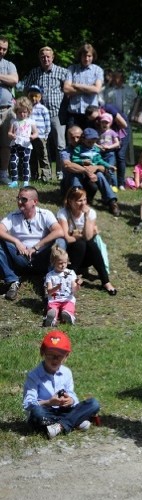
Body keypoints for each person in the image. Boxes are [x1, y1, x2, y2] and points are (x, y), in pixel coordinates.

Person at [23, 331, 100, 439]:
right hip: (46, 411)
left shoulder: (67, 372)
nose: (55, 360)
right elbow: (28, 404)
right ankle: (74, 422)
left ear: (66, 357)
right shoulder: (34, 375)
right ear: (42, 353)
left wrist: (71, 400)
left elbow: (72, 395)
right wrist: (49, 402)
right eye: (50, 355)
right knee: (37, 413)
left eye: (59, 356)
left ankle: (59, 426)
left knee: (93, 403)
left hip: (63, 411)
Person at [0, 187, 66, 301]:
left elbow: (59, 231)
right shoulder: (13, 216)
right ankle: (12, 280)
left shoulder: (45, 214)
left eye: (24, 199)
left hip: (42, 258)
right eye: (18, 198)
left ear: (35, 202)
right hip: (20, 258)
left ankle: (50, 281)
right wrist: (16, 242)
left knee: (60, 241)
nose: (19, 202)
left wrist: (37, 247)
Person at [56, 186, 116, 295]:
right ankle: (70, 277)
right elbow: (67, 238)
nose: (83, 203)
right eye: (79, 200)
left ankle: (105, 281)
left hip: (87, 255)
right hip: (71, 255)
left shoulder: (90, 213)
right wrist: (80, 235)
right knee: (81, 244)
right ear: (70, 201)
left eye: (85, 200)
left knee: (90, 244)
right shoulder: (63, 213)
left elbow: (88, 237)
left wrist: (87, 217)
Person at [22, 46, 67, 181]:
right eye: (42, 57)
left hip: (57, 114)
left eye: (48, 56)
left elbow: (69, 90)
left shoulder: (62, 72)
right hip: (38, 116)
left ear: (52, 57)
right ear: (39, 58)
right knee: (41, 146)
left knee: (60, 145)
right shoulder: (34, 73)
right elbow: (25, 90)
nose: (45, 59)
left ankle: (60, 172)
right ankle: (42, 174)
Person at [62, 44, 103, 128]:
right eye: (84, 56)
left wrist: (76, 85)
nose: (86, 58)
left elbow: (96, 90)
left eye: (89, 56)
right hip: (73, 113)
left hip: (91, 114)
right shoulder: (72, 69)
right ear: (80, 56)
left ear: (93, 56)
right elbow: (66, 89)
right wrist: (89, 88)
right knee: (72, 139)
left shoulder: (98, 70)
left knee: (89, 140)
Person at [43, 245, 79, 327]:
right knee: (52, 309)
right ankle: (52, 319)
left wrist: (78, 285)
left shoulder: (71, 273)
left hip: (67, 299)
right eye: (60, 263)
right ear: (53, 262)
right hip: (54, 300)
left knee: (68, 308)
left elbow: (74, 289)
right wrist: (57, 287)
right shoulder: (50, 275)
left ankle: (68, 316)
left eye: (65, 262)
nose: (63, 265)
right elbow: (49, 291)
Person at [7, 97, 38, 188]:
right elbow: (9, 132)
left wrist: (33, 136)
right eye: (20, 112)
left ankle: (25, 181)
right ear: (16, 111)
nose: (22, 114)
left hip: (26, 145)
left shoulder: (31, 122)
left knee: (25, 163)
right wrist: (11, 135)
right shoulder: (13, 121)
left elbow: (36, 132)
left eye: (24, 112)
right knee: (13, 162)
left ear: (29, 112)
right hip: (15, 144)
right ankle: (14, 181)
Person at [0, 36, 17, 185]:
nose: (2, 51)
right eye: (0, 48)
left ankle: (3, 175)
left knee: (6, 144)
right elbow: (9, 80)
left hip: (6, 110)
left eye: (4, 49)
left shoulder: (9, 65)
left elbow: (14, 80)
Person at [26, 86, 51, 183]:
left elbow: (47, 123)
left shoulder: (43, 109)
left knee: (43, 156)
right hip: (29, 136)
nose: (33, 98)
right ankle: (34, 175)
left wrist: (46, 134)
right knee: (32, 156)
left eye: (36, 96)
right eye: (31, 96)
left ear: (40, 97)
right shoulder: (27, 109)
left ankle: (46, 176)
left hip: (40, 136)